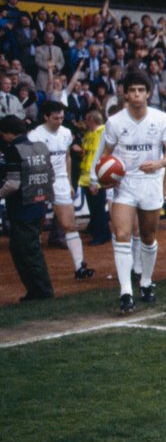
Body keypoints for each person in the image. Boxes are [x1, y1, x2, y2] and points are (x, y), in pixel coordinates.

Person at [94, 70, 166, 313]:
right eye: (132, 90)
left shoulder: (161, 118)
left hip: (151, 182)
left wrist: (159, 164)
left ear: (148, 93)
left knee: (149, 237)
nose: (137, 95)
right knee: (122, 235)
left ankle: (146, 282)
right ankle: (125, 292)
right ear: (125, 93)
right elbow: (105, 155)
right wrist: (104, 177)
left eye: (141, 90)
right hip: (125, 184)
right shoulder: (115, 122)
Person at [27, 100, 94, 280]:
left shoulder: (66, 133)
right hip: (40, 182)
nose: (59, 121)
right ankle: (33, 270)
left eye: (62, 118)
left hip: (61, 181)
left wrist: (68, 181)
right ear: (46, 117)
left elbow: (67, 157)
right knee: (34, 225)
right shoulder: (35, 136)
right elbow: (31, 164)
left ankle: (79, 266)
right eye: (55, 118)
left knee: (69, 225)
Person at [0, 115, 55, 301]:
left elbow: (13, 184)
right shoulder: (40, 147)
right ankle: (36, 291)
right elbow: (51, 177)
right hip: (37, 205)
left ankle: (43, 292)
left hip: (21, 208)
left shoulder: (13, 150)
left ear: (8, 133)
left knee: (29, 252)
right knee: (21, 249)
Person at [78, 109, 110, 244]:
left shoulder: (102, 132)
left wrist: (95, 180)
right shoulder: (89, 134)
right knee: (94, 208)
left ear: (92, 120)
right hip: (86, 177)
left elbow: (99, 156)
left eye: (87, 119)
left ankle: (101, 235)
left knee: (98, 209)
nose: (85, 122)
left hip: (95, 177)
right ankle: (97, 230)